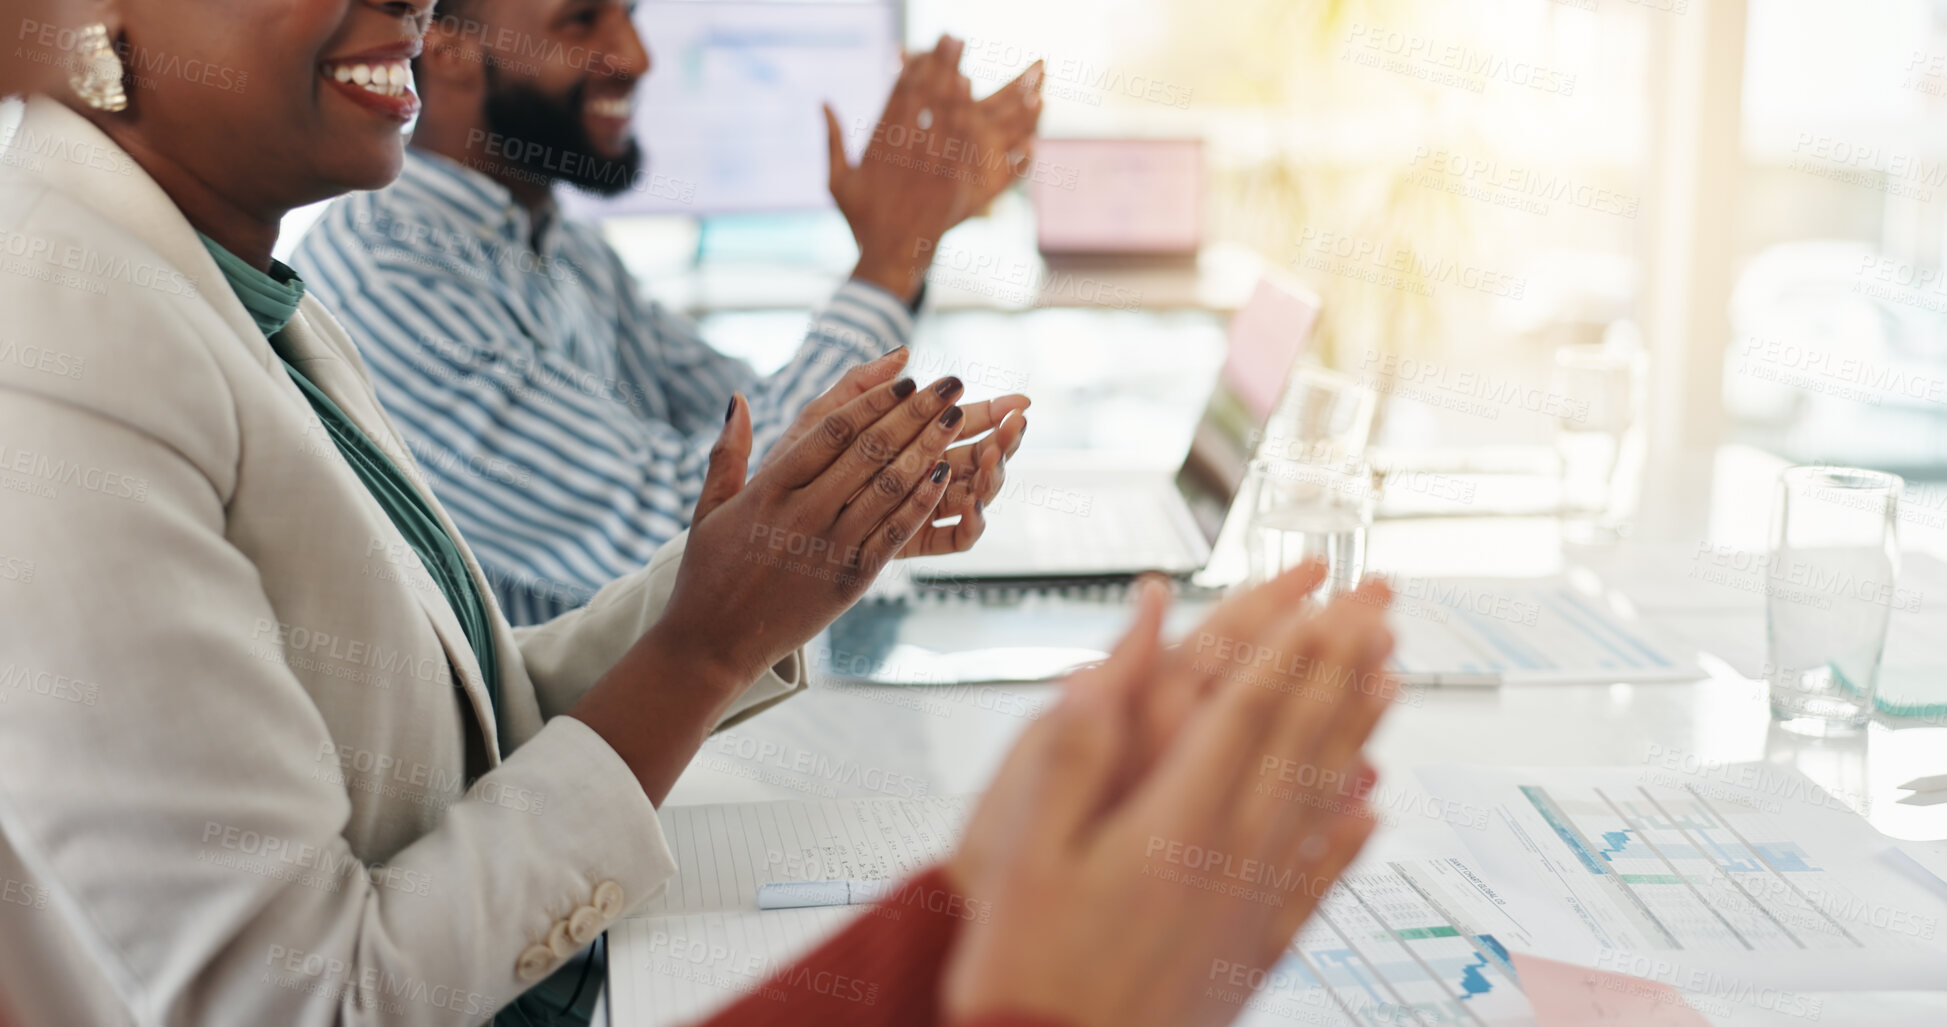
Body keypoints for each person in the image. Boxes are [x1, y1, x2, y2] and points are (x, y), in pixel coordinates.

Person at [0, 0, 1009, 1022]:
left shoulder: (236, 289)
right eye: (582, 19)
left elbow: (467, 716)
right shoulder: (67, 344)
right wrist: (710, 641)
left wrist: (805, 536)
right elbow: (304, 1000)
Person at [290, 0, 1041, 624]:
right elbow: (682, 536)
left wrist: (897, 467)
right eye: (582, 20)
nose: (637, 55)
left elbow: (739, 426)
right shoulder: (393, 279)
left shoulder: (559, 246)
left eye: (630, 14)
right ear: (447, 49)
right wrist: (890, 257)